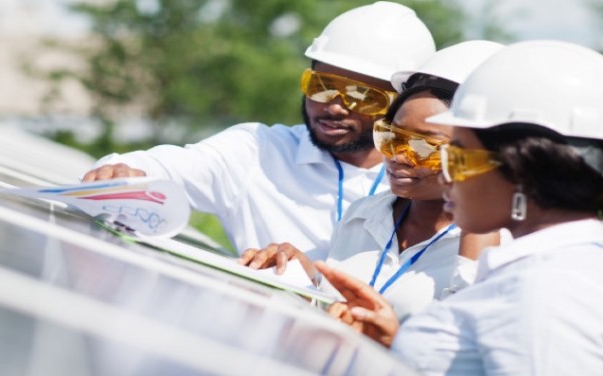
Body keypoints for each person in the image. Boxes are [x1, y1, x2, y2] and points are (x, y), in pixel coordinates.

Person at [316, 40, 603, 376]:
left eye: (458, 158)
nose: (446, 175)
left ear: (522, 170)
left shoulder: (551, 290)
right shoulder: (545, 270)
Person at [81, 2, 435, 260]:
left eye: (362, 96)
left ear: (399, 104)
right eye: (322, 85)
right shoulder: (258, 152)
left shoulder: (424, 183)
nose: (335, 106)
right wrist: (121, 172)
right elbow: (160, 168)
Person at [240, 41, 504, 321]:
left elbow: (465, 335)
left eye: (425, 147)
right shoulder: (363, 215)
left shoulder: (501, 248)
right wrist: (305, 282)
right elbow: (336, 315)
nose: (398, 156)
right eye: (393, 137)